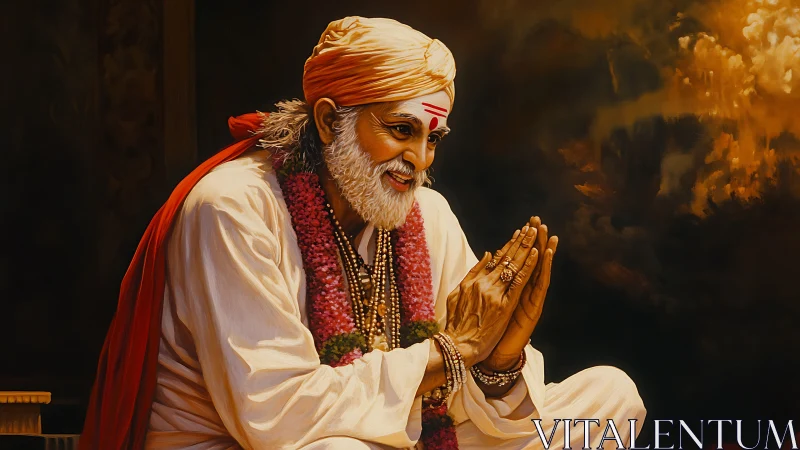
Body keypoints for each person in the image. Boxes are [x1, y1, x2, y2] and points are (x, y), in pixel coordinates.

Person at [79, 16, 646, 450]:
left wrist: (498, 362)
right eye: (401, 129)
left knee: (611, 396)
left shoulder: (426, 214)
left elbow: (461, 395)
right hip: (257, 445)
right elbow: (275, 417)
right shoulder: (234, 208)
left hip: (394, 436)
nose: (419, 159)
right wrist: (454, 351)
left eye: (433, 139)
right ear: (330, 120)